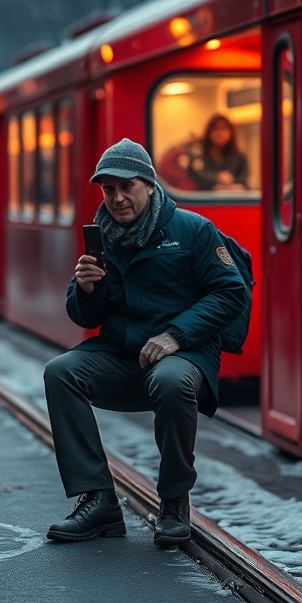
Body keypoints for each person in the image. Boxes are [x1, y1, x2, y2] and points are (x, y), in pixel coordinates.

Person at [43, 138, 248, 546]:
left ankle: (174, 500)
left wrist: (176, 334)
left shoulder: (193, 230)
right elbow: (85, 317)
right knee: (60, 372)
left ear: (150, 185)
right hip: (124, 354)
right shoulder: (101, 236)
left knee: (170, 381)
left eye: (127, 187)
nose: (117, 198)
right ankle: (98, 500)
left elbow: (231, 293)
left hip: (185, 354)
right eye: (108, 189)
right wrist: (85, 290)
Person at [187, 114, 249, 191]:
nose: (220, 133)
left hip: (231, 199)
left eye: (224, 129)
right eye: (216, 129)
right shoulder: (197, 153)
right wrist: (217, 177)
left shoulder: (240, 157)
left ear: (231, 132)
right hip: (202, 199)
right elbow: (196, 174)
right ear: (209, 132)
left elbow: (243, 180)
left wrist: (230, 185)